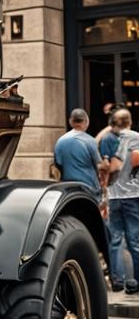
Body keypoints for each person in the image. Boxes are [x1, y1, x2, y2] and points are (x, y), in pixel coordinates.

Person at [106, 108, 139, 294]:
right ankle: (135, 282)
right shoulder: (135, 137)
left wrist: (108, 182)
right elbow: (131, 160)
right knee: (134, 240)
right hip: (132, 195)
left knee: (116, 239)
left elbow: (112, 165)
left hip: (115, 196)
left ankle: (117, 280)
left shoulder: (110, 138)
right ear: (130, 121)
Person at [52, 108, 101, 200]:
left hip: (68, 188)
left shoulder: (60, 141)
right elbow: (99, 167)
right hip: (89, 189)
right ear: (86, 121)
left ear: (71, 121)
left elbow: (57, 165)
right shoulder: (90, 141)